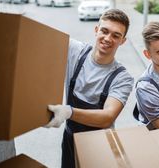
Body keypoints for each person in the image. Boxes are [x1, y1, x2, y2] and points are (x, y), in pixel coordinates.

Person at [45, 9, 134, 168]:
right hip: (70, 140)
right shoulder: (76, 51)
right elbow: (43, 37)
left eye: (116, 35)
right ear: (96, 30)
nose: (108, 38)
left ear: (123, 41)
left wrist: (68, 112)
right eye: (104, 31)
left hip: (99, 147)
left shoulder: (122, 78)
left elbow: (107, 116)